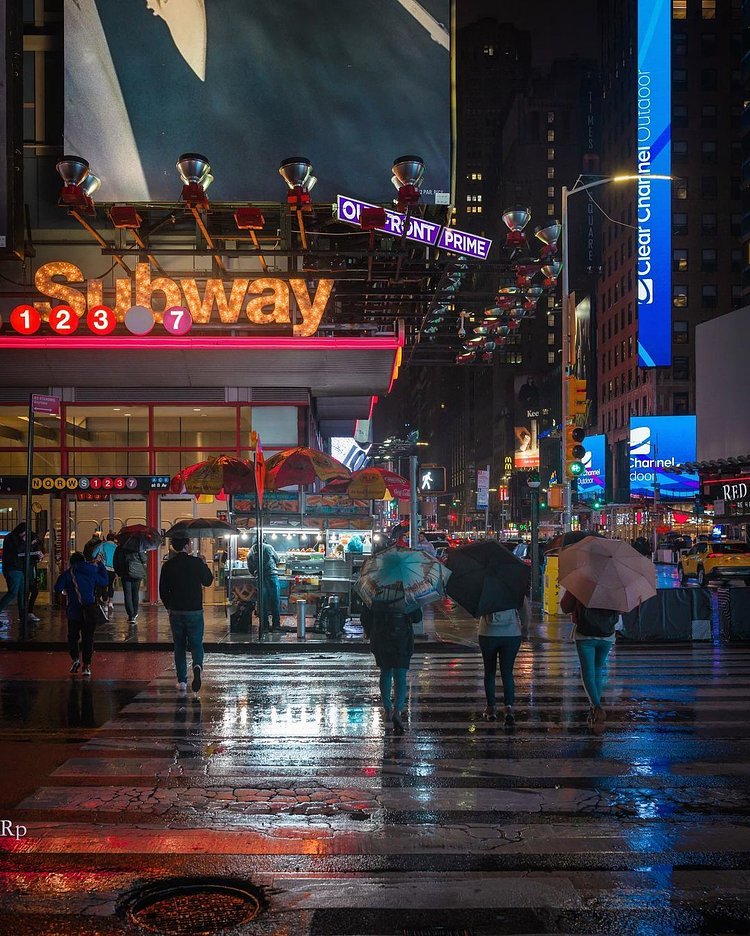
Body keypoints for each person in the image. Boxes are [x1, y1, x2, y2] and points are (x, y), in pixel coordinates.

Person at [159, 536, 214, 697]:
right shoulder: (196, 563)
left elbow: (163, 591)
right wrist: (203, 564)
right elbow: (208, 581)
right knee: (196, 643)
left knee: (179, 646)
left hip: (176, 611)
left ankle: (182, 681)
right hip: (195, 611)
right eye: (189, 543)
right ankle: (197, 666)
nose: (191, 545)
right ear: (186, 545)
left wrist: (169, 606)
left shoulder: (168, 566)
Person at [560, 589, 618, 728]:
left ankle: (596, 707)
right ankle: (594, 708)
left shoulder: (581, 582)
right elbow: (622, 611)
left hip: (585, 632)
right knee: (598, 669)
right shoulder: (615, 585)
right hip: (606, 633)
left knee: (587, 672)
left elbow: (565, 607)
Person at [362, 602, 421, 733]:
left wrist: (369, 631)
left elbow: (365, 617)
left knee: (385, 672)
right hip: (402, 638)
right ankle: (397, 711)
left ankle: (387, 709)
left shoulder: (376, 590)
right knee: (400, 675)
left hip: (381, 637)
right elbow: (417, 617)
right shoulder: (408, 593)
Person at [478, 596, 530, 727]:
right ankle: (509, 709)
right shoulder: (514, 586)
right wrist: (525, 629)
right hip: (512, 634)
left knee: (489, 671)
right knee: (507, 673)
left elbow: (477, 610)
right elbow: (525, 610)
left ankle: (491, 709)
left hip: (487, 633)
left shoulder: (484, 587)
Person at [55, 550, 108, 677]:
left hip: (74, 611)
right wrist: (100, 565)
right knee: (88, 639)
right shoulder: (91, 571)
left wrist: (67, 590)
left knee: (73, 637)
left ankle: (75, 659)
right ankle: (87, 666)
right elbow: (104, 581)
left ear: (72, 563)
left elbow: (57, 588)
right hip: (89, 610)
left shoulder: (68, 574)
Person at [246, 539, 281, 633]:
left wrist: (256, 574)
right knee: (275, 601)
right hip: (272, 576)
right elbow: (277, 560)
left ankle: (264, 626)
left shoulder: (251, 551)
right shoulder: (269, 547)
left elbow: (250, 567)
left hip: (260, 578)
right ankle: (276, 626)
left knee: (262, 603)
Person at [0, 523, 30, 623]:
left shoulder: (13, 537)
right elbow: (17, 551)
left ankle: (23, 616)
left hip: (18, 569)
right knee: (13, 593)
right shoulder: (11, 538)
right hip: (12, 569)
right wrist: (23, 541)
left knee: (21, 593)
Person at [114, 543, 147, 625]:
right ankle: (135, 613)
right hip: (137, 573)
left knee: (127, 594)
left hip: (125, 573)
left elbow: (115, 561)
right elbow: (144, 559)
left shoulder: (120, 548)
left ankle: (131, 615)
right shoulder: (137, 546)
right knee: (135, 593)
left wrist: (119, 572)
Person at [26, 530, 45, 623]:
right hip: (29, 570)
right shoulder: (28, 547)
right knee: (33, 590)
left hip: (30, 569)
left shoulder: (29, 546)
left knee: (29, 591)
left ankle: (26, 612)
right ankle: (28, 612)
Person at [96, 533, 118, 613]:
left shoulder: (102, 545)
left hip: (103, 568)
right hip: (113, 569)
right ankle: (111, 602)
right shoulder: (116, 547)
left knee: (104, 586)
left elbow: (93, 554)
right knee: (110, 585)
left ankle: (105, 604)